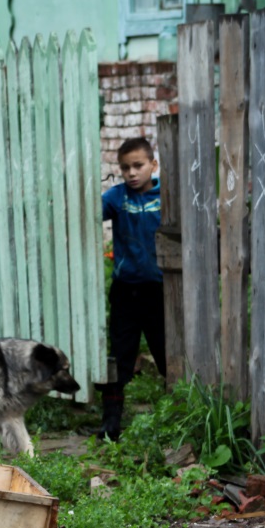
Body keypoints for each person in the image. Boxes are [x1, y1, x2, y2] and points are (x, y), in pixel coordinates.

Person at [95, 136, 167, 442]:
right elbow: (89, 213)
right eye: (125, 168)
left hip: (160, 291)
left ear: (153, 164)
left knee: (167, 354)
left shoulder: (168, 195)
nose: (131, 173)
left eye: (138, 166)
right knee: (120, 358)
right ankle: (111, 424)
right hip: (125, 291)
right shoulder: (117, 197)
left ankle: (179, 414)